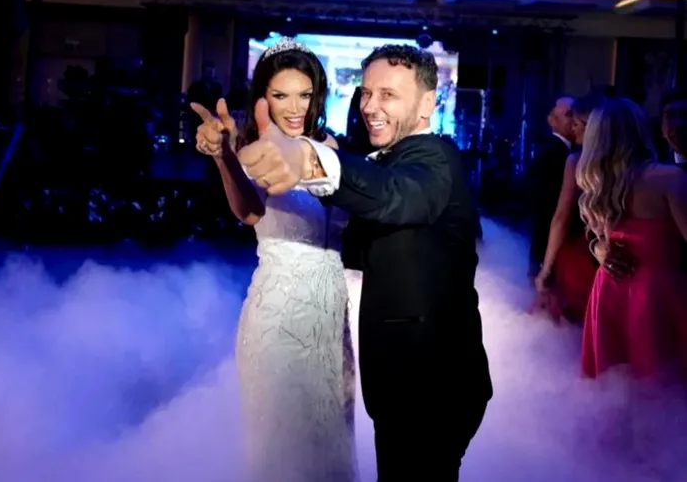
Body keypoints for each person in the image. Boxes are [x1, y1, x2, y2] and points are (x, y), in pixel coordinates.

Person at [237, 44, 492, 482]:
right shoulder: (388, 158)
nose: (371, 106)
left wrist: (308, 159)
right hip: (399, 375)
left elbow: (397, 193)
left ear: (427, 103)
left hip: (429, 382)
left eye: (388, 95)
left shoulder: (433, 157)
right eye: (367, 93)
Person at [191, 38, 357, 482]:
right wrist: (225, 158)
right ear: (263, 98)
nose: (295, 107)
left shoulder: (331, 146)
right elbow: (248, 211)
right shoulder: (257, 146)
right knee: (283, 449)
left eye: (305, 94)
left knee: (330, 444)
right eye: (281, 95)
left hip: (331, 317)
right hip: (280, 316)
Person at [576, 97, 687, 379]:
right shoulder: (669, 177)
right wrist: (599, 248)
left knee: (613, 387)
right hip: (657, 292)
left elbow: (604, 236)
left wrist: (599, 248)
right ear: (641, 129)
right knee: (662, 387)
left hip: (609, 289)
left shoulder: (597, 184)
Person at [534, 94, 602, 323]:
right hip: (598, 253)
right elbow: (548, 212)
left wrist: (545, 267)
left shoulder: (575, 160)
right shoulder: (559, 155)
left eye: (577, 122)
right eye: (569, 119)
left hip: (579, 251)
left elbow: (559, 217)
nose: (573, 126)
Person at [527, 95, 575, 276]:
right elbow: (546, 209)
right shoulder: (552, 153)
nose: (574, 120)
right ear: (552, 120)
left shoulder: (565, 150)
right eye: (568, 114)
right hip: (552, 244)